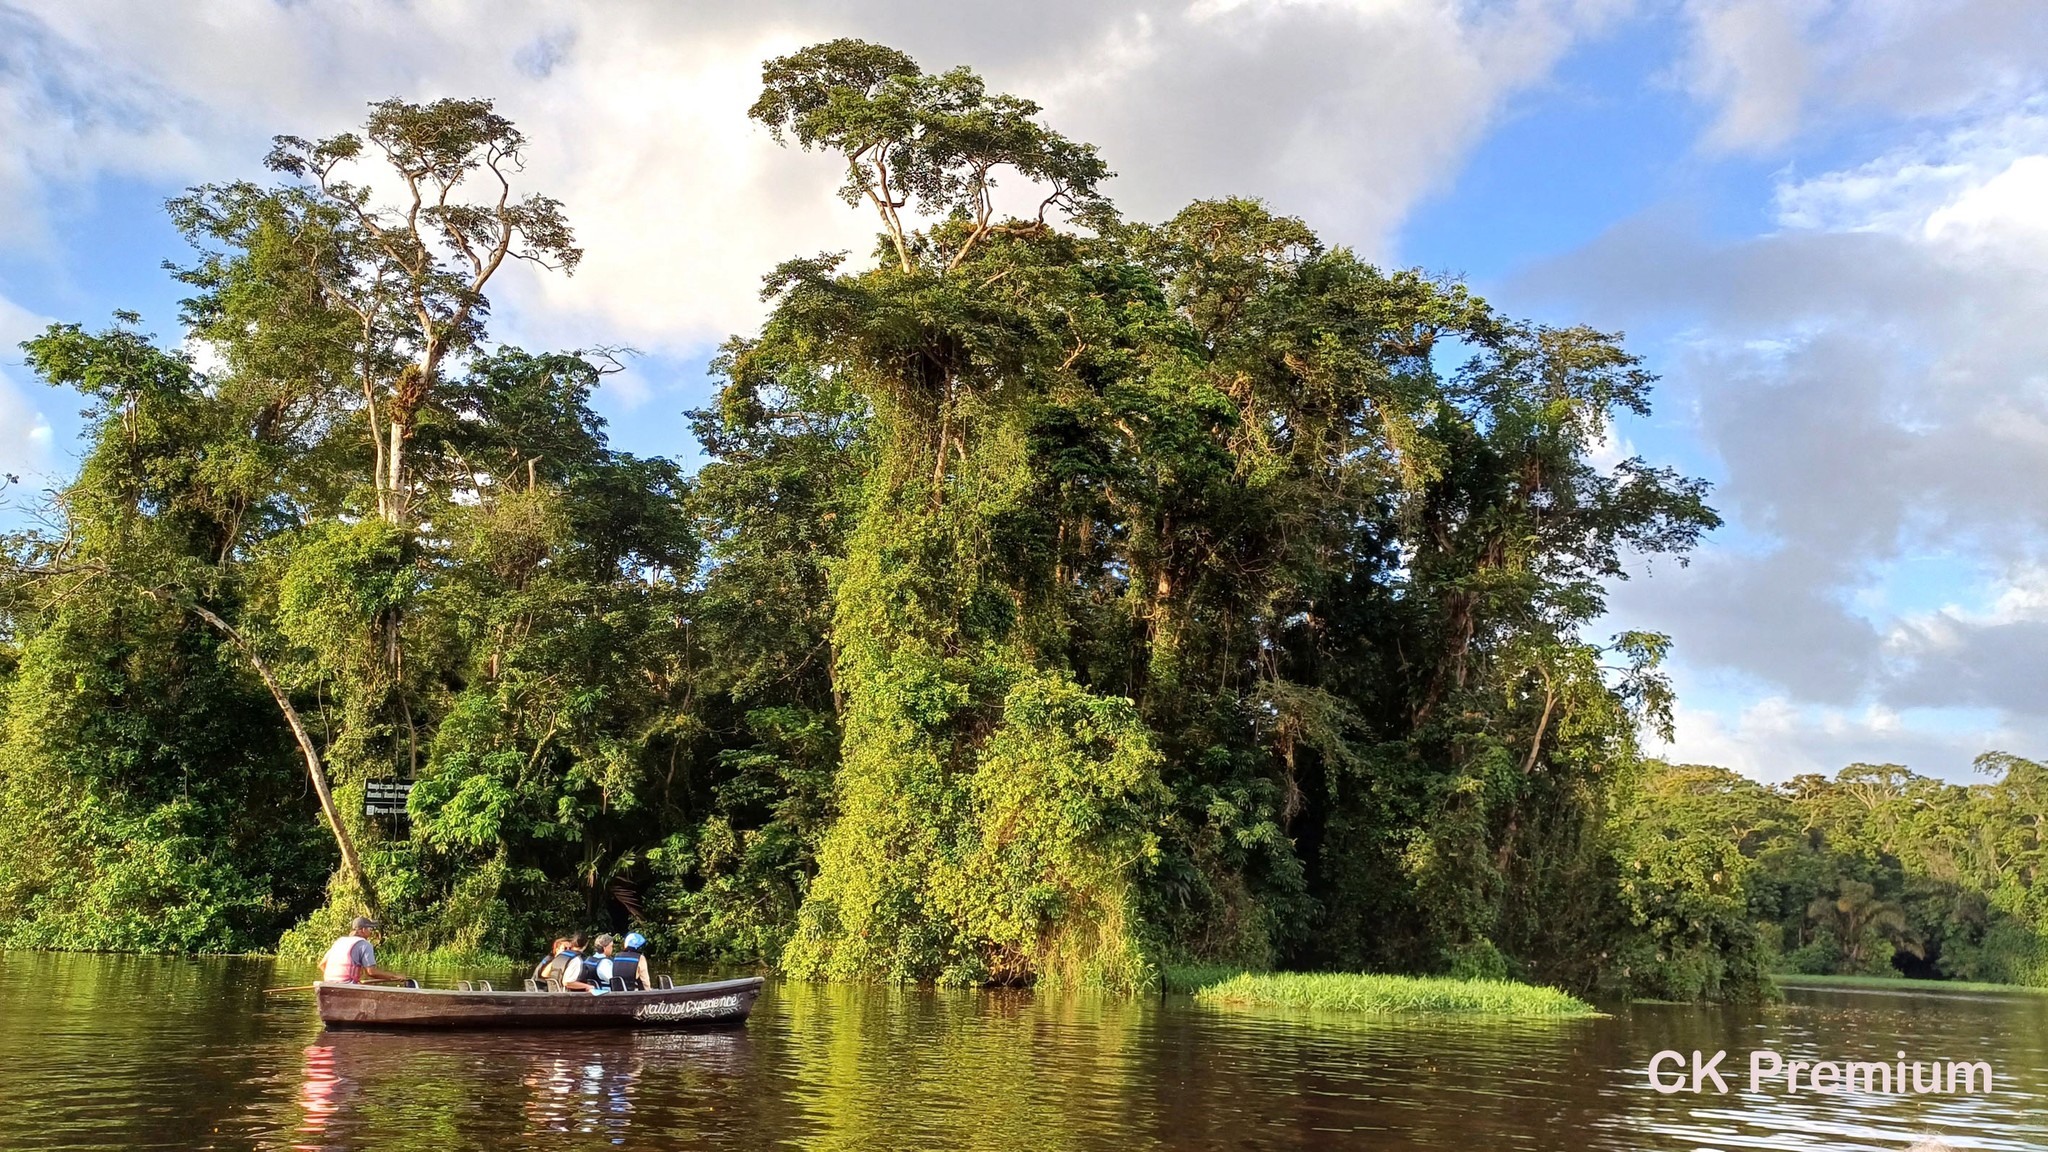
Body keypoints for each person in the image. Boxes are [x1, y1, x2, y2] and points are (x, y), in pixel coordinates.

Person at [319, 916, 407, 985]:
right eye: (370, 929)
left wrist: (334, 980)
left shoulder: (339, 941)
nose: (371, 932)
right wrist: (395, 976)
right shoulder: (365, 945)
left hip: (328, 984)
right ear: (363, 930)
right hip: (347, 984)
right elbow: (371, 972)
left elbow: (322, 965)